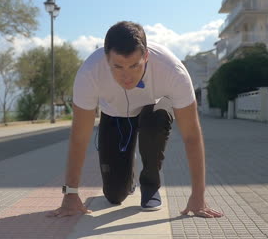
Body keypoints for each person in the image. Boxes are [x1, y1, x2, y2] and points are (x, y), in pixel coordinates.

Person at [48, 21, 223, 218]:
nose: (127, 76)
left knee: (155, 119)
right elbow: (79, 137)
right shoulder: (89, 73)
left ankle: (150, 184)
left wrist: (198, 196)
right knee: (114, 195)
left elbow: (191, 135)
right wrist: (70, 194)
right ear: (107, 59)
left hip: (153, 110)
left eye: (134, 65)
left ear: (146, 56)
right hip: (114, 115)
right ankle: (128, 172)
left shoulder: (173, 70)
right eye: (118, 67)